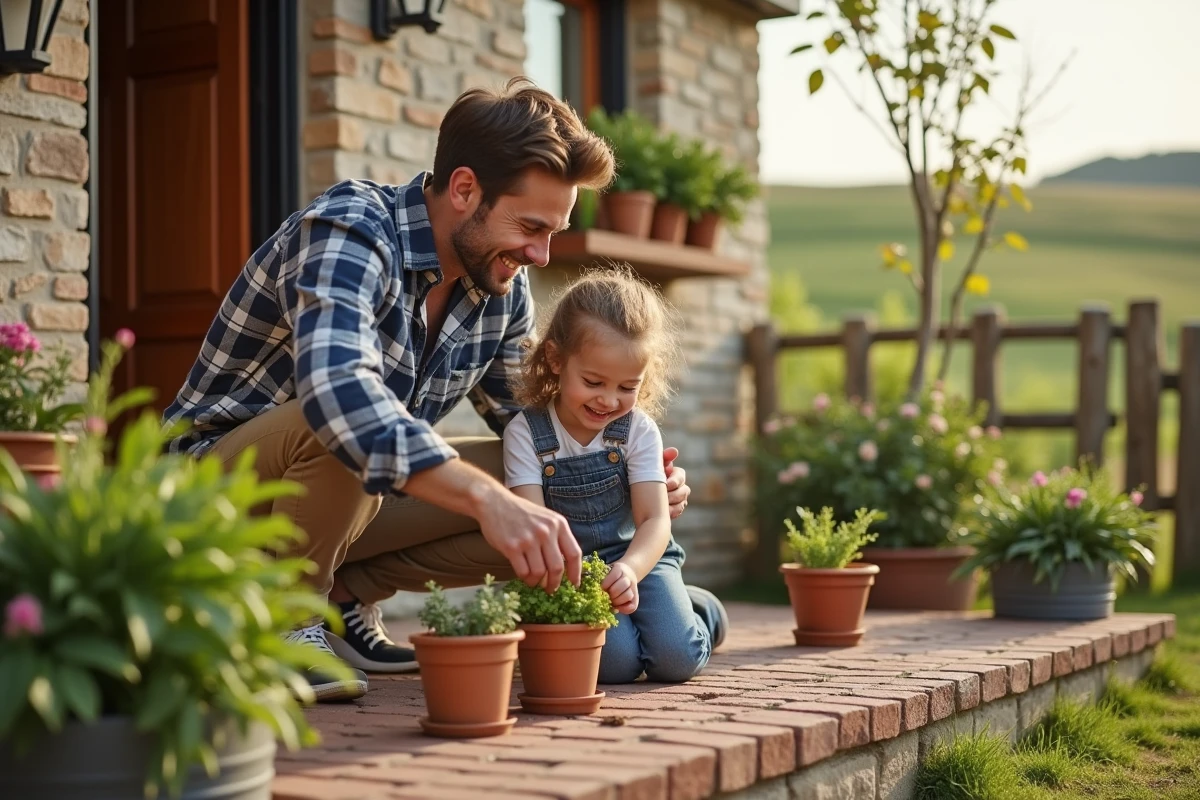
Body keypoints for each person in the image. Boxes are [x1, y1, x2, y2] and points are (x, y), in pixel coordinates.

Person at [161, 77, 697, 703]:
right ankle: (286, 619)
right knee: (338, 421)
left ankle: (343, 597)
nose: (543, 254)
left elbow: (541, 425)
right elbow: (338, 392)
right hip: (209, 494)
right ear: (465, 189)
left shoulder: (499, 289)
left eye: (555, 231)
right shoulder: (351, 230)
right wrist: (487, 502)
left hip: (341, 499)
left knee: (535, 476)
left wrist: (628, 477)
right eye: (530, 225)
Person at [503, 268, 728, 683]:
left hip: (642, 558)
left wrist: (630, 569)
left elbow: (655, 520)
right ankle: (657, 623)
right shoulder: (526, 434)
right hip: (575, 570)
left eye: (627, 386)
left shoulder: (637, 429)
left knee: (676, 661)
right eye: (593, 381)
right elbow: (535, 525)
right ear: (555, 359)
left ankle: (701, 611)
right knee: (615, 667)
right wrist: (572, 584)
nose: (609, 400)